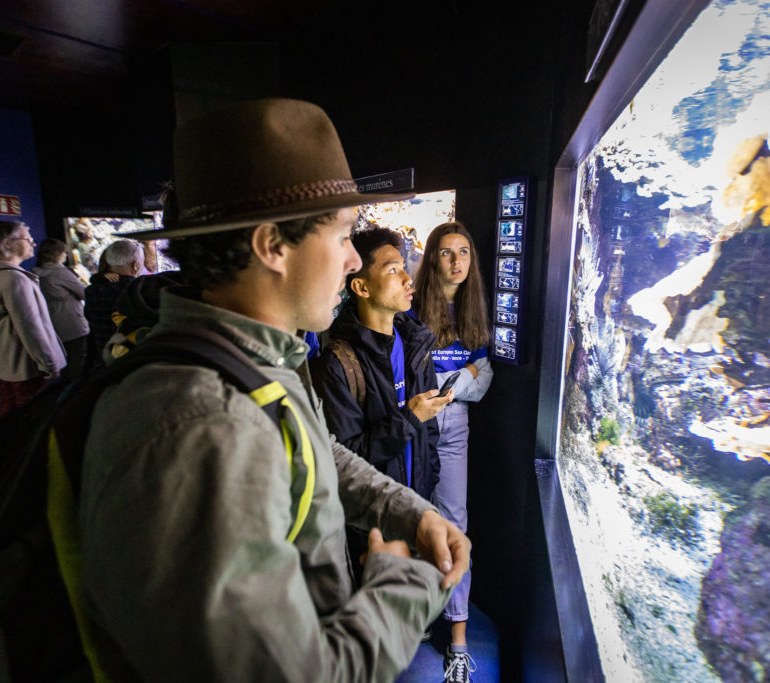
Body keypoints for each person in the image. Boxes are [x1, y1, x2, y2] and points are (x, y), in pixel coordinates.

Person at [79, 98, 470, 681]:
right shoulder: (203, 427)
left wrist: (404, 510)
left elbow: (313, 450)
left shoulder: (255, 362)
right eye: (341, 236)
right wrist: (403, 584)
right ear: (271, 245)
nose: (348, 262)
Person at [311, 225, 451, 504]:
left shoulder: (416, 343)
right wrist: (409, 419)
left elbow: (429, 433)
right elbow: (346, 458)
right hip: (373, 517)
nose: (407, 279)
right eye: (392, 270)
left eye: (403, 267)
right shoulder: (338, 364)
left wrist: (428, 482)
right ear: (361, 287)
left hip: (419, 501)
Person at [412, 221, 494, 683]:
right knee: (415, 516)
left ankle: (458, 638)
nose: (457, 261)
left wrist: (463, 380)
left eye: (464, 252)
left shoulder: (472, 308)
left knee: (455, 522)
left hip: (455, 424)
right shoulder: (412, 307)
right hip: (416, 421)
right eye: (447, 252)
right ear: (432, 258)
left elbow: (481, 375)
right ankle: (422, 614)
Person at [0, 221, 66, 414]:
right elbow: (30, 328)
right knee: (30, 415)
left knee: (9, 409)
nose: (33, 244)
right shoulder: (14, 279)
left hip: (3, 359)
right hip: (24, 364)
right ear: (8, 244)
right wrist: (48, 363)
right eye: (27, 239)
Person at [33, 237, 90, 381]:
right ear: (56, 254)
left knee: (65, 367)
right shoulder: (61, 273)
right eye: (64, 252)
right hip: (74, 326)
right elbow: (84, 293)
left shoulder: (34, 273)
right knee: (77, 366)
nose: (66, 254)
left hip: (53, 327)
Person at [83, 239, 144, 369]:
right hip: (136, 365)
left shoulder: (91, 291)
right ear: (136, 265)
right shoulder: (142, 291)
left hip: (104, 365)